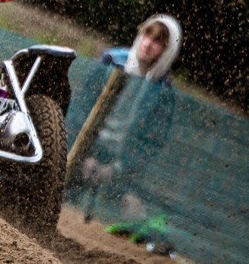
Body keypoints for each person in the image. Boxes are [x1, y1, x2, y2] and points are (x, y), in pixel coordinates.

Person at [76, 14, 183, 252]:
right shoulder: (111, 60)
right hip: (84, 150)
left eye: (159, 41)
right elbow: (81, 108)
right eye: (147, 34)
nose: (149, 43)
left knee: (135, 210)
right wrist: (83, 154)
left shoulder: (164, 91)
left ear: (167, 51)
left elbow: (151, 143)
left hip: (122, 167)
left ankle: (153, 246)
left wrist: (117, 169)